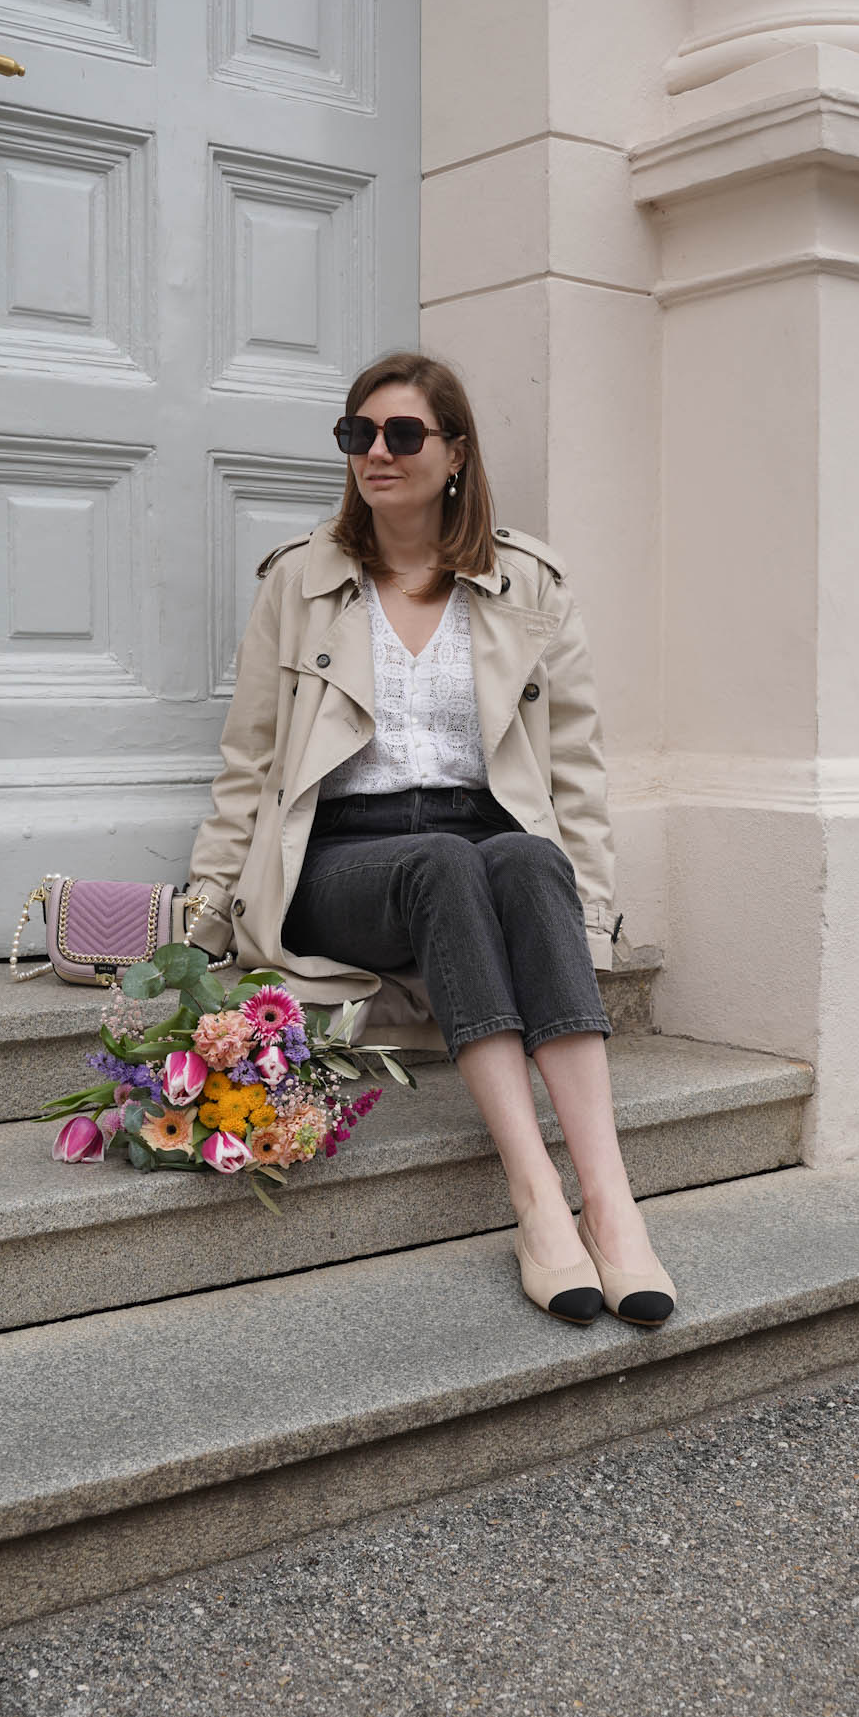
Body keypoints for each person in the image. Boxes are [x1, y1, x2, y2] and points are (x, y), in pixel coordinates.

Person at [186, 350, 675, 1329]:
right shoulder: (299, 582)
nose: (376, 451)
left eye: (402, 433)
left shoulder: (527, 584)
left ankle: (613, 1205)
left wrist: (584, 921)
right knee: (443, 861)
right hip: (341, 862)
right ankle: (537, 1198)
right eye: (357, 433)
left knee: (523, 854)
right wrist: (202, 919)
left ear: (454, 453)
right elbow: (249, 760)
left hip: (482, 850)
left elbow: (572, 767)